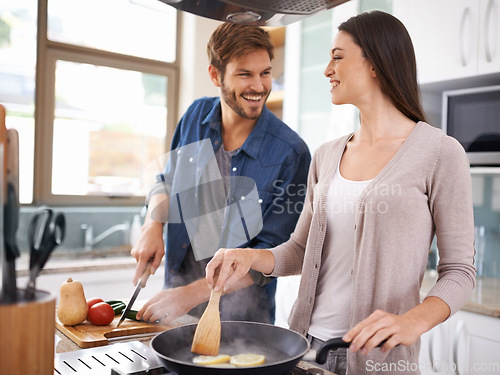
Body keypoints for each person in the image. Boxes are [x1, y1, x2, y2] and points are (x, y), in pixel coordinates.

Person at [206, 11, 476, 375]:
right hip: (304, 349)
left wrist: (413, 321)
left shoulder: (441, 153)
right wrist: (250, 257)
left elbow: (459, 271)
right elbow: (301, 250)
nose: (326, 70)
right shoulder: (328, 154)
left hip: (380, 358)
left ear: (376, 63)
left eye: (337, 56)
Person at [131, 23, 311, 325]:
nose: (259, 86)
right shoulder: (195, 116)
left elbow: (270, 256)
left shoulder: (291, 153)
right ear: (215, 75)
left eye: (265, 73)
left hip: (242, 322)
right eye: (245, 74)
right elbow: (168, 180)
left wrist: (191, 294)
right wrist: (153, 224)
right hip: (174, 305)